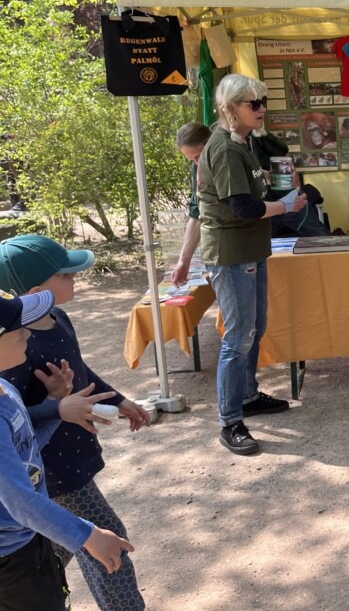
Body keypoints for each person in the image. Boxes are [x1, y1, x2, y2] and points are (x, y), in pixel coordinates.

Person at [0, 235, 149, 610]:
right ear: (35, 290)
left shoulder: (51, 325)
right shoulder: (15, 355)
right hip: (52, 476)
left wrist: (114, 399)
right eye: (66, 274)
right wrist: (59, 409)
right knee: (104, 539)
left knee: (53, 551)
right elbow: (17, 490)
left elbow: (79, 374)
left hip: (67, 464)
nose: (75, 278)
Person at [199, 74, 307, 455]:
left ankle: (246, 396)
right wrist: (286, 205)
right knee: (239, 335)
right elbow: (243, 208)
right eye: (253, 103)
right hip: (232, 253)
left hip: (249, 249)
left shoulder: (241, 142)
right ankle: (230, 421)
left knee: (253, 328)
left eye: (262, 100)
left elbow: (252, 194)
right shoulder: (226, 148)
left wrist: (285, 189)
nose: (261, 108)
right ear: (230, 108)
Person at [248, 130, 329, 238]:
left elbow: (284, 156)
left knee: (319, 237)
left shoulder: (260, 137)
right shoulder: (235, 146)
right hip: (263, 207)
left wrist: (296, 186)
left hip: (286, 200)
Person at [171, 122, 212, 285]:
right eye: (190, 159)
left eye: (198, 155)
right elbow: (196, 214)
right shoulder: (197, 168)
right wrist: (183, 260)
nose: (196, 163)